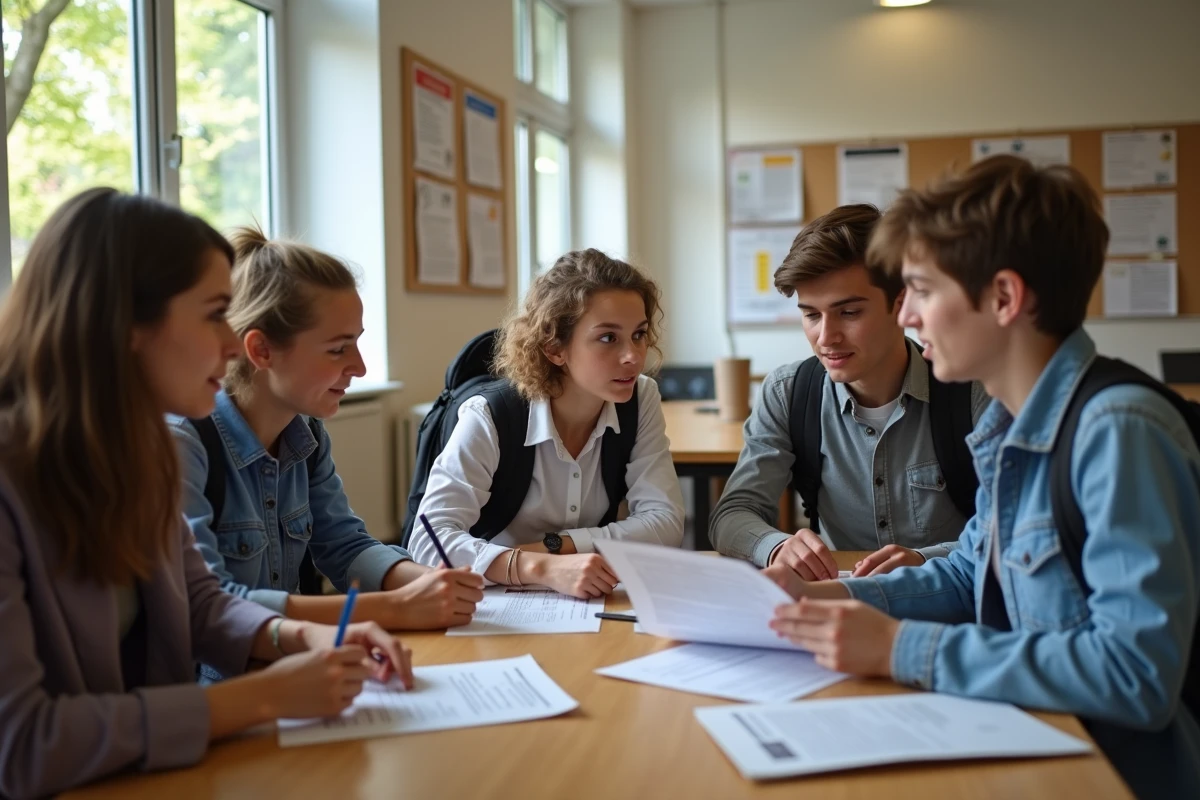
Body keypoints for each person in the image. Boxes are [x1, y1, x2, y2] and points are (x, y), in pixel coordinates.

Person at [767, 156, 1200, 799]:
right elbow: (973, 573)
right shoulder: (1008, 421)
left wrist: (901, 650)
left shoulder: (1118, 430)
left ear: (1003, 298)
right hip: (1023, 739)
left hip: (1107, 774)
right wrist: (833, 602)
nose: (906, 315)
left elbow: (1135, 675)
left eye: (921, 289)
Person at [0, 189, 412, 799]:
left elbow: (201, 603)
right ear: (127, 325)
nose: (231, 340)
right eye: (215, 312)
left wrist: (308, 637)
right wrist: (264, 695)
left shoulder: (134, 453)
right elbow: (23, 744)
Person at [172, 227, 482, 650]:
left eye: (357, 344)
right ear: (261, 351)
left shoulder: (306, 433)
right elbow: (215, 606)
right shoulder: (184, 444)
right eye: (338, 349)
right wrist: (396, 607)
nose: (359, 367)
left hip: (292, 662)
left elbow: (343, 544)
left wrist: (428, 582)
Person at [711, 204, 987, 579]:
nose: (826, 338)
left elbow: (1013, 523)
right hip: (839, 602)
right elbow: (732, 513)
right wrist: (775, 545)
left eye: (850, 312)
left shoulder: (972, 391)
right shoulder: (787, 393)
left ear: (901, 304)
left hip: (949, 602)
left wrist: (929, 559)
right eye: (811, 315)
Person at [410, 249, 685, 598]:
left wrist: (555, 548)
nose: (633, 356)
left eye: (639, 334)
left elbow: (665, 523)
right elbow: (427, 539)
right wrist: (538, 567)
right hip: (491, 601)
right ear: (555, 348)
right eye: (608, 338)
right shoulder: (489, 415)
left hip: (589, 593)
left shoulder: (639, 397)